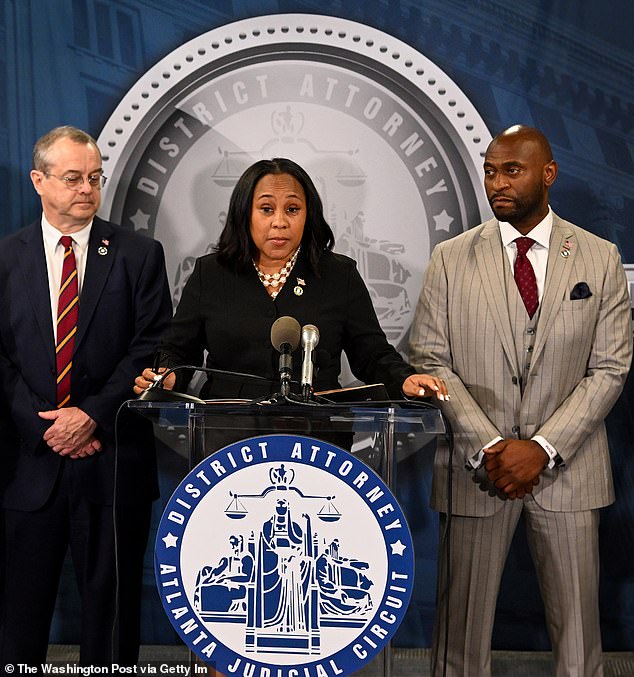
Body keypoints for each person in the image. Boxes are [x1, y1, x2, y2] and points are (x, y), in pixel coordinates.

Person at [408, 124, 633, 676]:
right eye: (490, 171)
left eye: (512, 170)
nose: (497, 182)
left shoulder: (600, 258)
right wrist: (491, 445)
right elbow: (430, 358)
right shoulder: (450, 258)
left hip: (570, 471)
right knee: (459, 646)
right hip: (476, 468)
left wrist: (543, 447)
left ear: (548, 174)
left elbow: (610, 367)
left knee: (580, 645)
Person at [0, 126, 172, 666]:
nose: (86, 189)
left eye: (94, 178)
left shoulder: (139, 255)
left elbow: (152, 349)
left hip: (113, 461)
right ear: (38, 181)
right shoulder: (5, 259)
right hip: (29, 467)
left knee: (112, 617)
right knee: (19, 617)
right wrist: (47, 428)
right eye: (72, 178)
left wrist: (90, 418)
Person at [134, 157, 448, 402]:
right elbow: (177, 351)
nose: (280, 222)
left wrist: (403, 379)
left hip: (317, 436)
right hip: (226, 435)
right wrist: (168, 374)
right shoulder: (211, 274)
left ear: (308, 215)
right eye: (266, 209)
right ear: (245, 214)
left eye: (293, 209)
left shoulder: (339, 275)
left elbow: (372, 353)